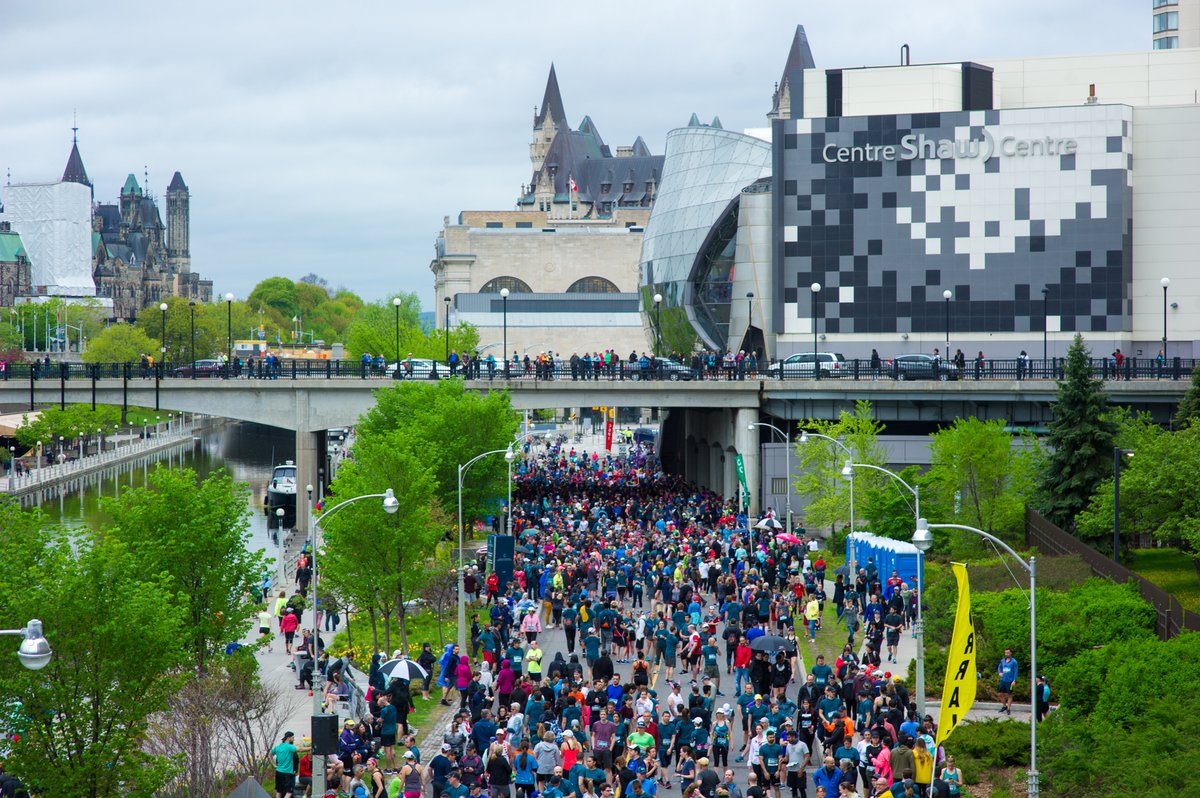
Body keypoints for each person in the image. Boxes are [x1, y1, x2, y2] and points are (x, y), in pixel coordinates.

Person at [271, 731, 299, 798]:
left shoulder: (278, 747)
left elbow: (270, 754)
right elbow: (299, 749)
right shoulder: (289, 747)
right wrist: (310, 748)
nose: (293, 739)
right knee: (289, 792)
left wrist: (273, 764)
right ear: (288, 738)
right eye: (292, 737)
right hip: (287, 773)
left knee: (279, 791)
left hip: (278, 772)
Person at [996, 648, 1017, 715]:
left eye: (1008, 653)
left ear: (1011, 653)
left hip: (1010, 681)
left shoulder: (1014, 662)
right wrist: (999, 672)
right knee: (1000, 694)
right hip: (1003, 680)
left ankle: (1008, 708)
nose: (1006, 654)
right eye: (1005, 653)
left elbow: (1016, 671)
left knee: (1009, 695)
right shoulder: (1003, 660)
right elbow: (999, 667)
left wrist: (1014, 680)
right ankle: (1004, 706)